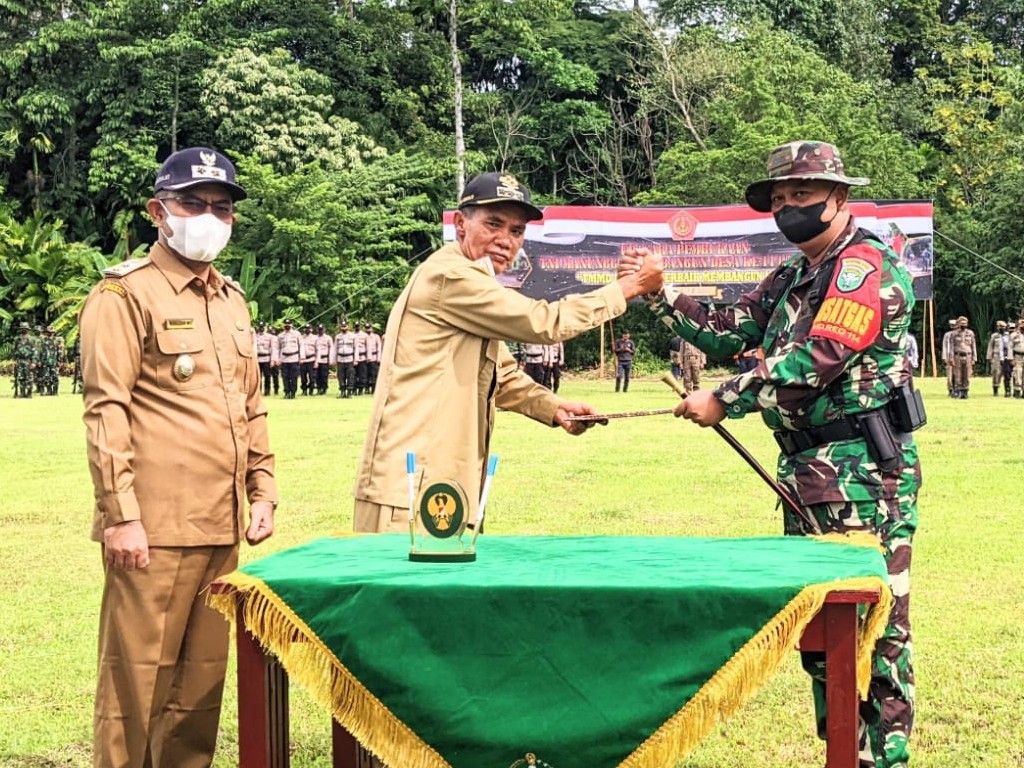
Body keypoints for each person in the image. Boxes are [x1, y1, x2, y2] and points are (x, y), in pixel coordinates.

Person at [627, 141, 920, 768]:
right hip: (810, 475)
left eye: (802, 197)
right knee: (823, 634)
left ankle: (879, 759)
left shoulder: (858, 266)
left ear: (838, 198)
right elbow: (732, 327)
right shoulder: (793, 275)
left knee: (873, 629)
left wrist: (726, 396)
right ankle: (844, 750)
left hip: (861, 473)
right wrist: (660, 292)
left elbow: (819, 356)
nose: (788, 209)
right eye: (779, 199)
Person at [79, 146, 277, 768]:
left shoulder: (232, 301)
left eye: (221, 208)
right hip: (154, 530)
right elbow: (105, 409)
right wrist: (121, 515)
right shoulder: (123, 295)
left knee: (199, 693)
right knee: (135, 689)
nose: (208, 217)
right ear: (158, 212)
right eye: (193, 203)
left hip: (220, 527)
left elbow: (251, 407)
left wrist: (262, 489)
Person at [352, 171, 663, 536]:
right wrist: (629, 287)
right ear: (460, 224)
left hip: (440, 483)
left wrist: (554, 408)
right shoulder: (451, 277)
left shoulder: (471, 281)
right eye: (494, 224)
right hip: (411, 487)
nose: (505, 240)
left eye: (516, 231)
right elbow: (543, 322)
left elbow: (503, 377)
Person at [950, 315, 976, 399]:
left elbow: (973, 346)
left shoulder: (970, 333)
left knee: (967, 374)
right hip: (957, 356)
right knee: (958, 374)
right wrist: (951, 358)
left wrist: (974, 358)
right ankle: (958, 391)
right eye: (961, 323)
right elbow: (951, 347)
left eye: (965, 323)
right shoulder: (954, 334)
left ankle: (965, 391)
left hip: (968, 355)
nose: (963, 325)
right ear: (958, 324)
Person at [277, 319, 301, 398]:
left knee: (294, 377)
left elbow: (301, 346)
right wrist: (278, 359)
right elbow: (278, 348)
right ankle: (287, 392)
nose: (287, 325)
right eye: (286, 324)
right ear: (283, 325)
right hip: (284, 359)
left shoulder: (297, 334)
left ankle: (293, 393)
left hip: (294, 358)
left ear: (292, 325)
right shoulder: (280, 335)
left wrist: (302, 357)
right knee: (285, 377)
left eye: (289, 324)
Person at [332, 319, 356, 398]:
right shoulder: (338, 336)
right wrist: (334, 360)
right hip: (340, 359)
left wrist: (356, 359)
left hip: (349, 359)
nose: (343, 328)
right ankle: (342, 392)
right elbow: (335, 348)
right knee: (341, 376)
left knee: (350, 376)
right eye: (342, 326)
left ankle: (349, 392)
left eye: (345, 326)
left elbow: (356, 349)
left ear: (348, 326)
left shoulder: (353, 336)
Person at [12, 321, 37, 398]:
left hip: (28, 360)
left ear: (28, 329)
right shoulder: (17, 339)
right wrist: (14, 360)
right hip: (20, 361)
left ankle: (29, 393)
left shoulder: (31, 339)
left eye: (25, 328)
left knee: (29, 377)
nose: (24, 330)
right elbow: (15, 350)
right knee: (21, 377)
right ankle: (22, 393)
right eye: (22, 328)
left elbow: (34, 351)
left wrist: (34, 362)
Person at [985, 320, 1008, 397]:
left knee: (1007, 374)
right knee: (996, 373)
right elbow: (990, 346)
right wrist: (989, 357)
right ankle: (995, 389)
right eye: (1000, 327)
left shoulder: (1008, 335)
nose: (1001, 328)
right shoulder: (994, 336)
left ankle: (1007, 390)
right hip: (996, 356)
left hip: (1006, 356)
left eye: (1003, 327)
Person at [254, 321, 275, 396]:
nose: (261, 328)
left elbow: (273, 349)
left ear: (265, 327)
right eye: (260, 327)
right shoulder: (254, 336)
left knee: (267, 376)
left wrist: (272, 360)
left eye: (262, 327)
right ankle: (258, 391)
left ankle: (267, 391)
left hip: (266, 358)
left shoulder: (270, 337)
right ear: (258, 327)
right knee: (257, 377)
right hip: (257, 359)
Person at [313, 323, 333, 395]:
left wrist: (330, 359)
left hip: (325, 359)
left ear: (324, 329)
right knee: (317, 375)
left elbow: (331, 349)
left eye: (321, 329)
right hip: (317, 360)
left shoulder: (328, 338)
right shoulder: (314, 338)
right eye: (319, 329)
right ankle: (318, 388)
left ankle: (324, 389)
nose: (320, 331)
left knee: (324, 375)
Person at [299, 323, 317, 396]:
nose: (307, 330)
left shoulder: (315, 338)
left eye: (308, 328)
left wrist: (316, 361)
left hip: (311, 359)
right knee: (303, 377)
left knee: (312, 377)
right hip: (303, 360)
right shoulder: (301, 338)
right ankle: (304, 390)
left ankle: (311, 390)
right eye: (306, 328)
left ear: (311, 329)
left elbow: (317, 350)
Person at [941, 318, 957, 397]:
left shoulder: (958, 334)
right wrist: (944, 357)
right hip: (948, 357)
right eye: (951, 325)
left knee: (956, 375)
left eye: (954, 325)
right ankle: (950, 389)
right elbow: (944, 346)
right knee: (949, 375)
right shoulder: (947, 335)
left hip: (957, 357)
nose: (953, 327)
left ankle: (956, 389)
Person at [364, 321, 382, 394]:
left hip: (374, 358)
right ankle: (367, 388)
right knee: (365, 374)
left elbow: (379, 348)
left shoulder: (376, 337)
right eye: (366, 328)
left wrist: (379, 358)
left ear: (372, 328)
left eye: (369, 328)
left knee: (374, 374)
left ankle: (374, 389)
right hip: (364, 358)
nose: (368, 329)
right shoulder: (363, 336)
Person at [1010, 319, 1024, 398]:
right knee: (1018, 373)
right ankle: (1017, 391)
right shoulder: (1014, 335)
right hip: (1017, 356)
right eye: (1021, 324)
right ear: (1018, 325)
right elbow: (1010, 347)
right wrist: (1011, 358)